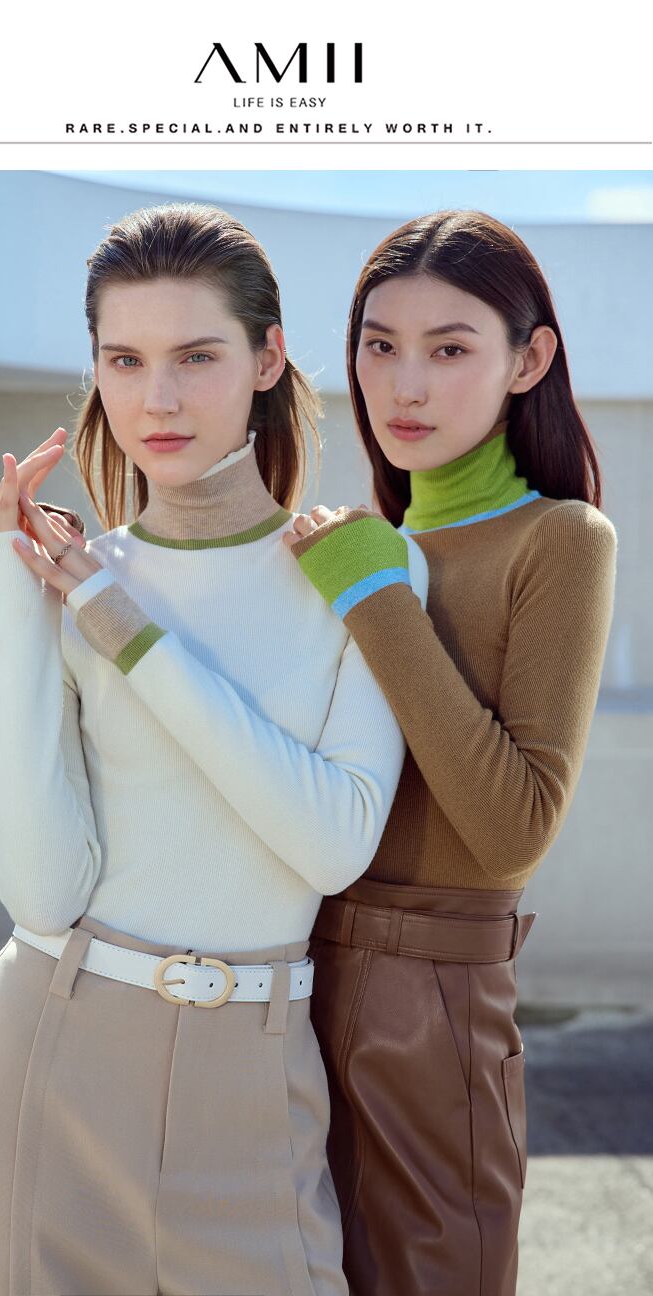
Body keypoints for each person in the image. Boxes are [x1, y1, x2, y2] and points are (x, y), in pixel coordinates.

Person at [0, 203, 429, 1296]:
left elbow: (333, 842)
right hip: (48, 1060)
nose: (157, 399)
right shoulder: (75, 579)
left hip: (256, 1086)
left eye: (196, 356)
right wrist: (22, 597)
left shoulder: (362, 564)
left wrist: (130, 636)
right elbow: (39, 889)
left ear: (268, 358)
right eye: (125, 360)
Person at [282, 209, 618, 1296]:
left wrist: (375, 596)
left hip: (427, 1001)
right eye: (380, 345)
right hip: (280, 979)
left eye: (450, 347)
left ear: (530, 359)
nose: (406, 384)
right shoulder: (355, 550)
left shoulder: (558, 539)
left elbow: (511, 829)